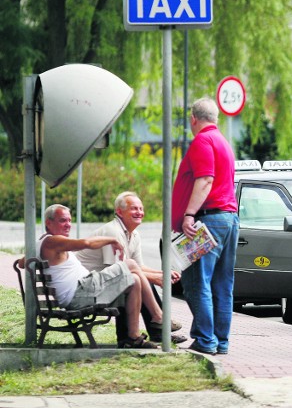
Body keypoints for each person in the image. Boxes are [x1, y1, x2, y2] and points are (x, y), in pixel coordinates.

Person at [37, 204, 159, 348]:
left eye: (70, 220)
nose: (68, 224)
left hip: (83, 291)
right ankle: (158, 316)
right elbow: (86, 243)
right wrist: (112, 240)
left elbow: (21, 263)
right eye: (63, 220)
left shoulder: (43, 242)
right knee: (130, 264)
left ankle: (133, 337)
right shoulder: (52, 241)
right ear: (48, 223)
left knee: (134, 280)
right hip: (79, 293)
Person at [171, 97, 240, 355]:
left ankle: (205, 340)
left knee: (196, 282)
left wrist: (189, 214)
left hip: (208, 219)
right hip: (228, 218)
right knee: (222, 284)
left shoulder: (202, 140)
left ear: (193, 119)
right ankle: (221, 342)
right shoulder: (223, 142)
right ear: (216, 119)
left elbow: (205, 179)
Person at [76, 191, 186, 344]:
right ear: (119, 212)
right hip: (89, 288)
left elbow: (138, 266)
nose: (139, 212)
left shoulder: (134, 234)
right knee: (137, 281)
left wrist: (163, 273)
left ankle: (159, 331)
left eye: (141, 209)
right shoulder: (112, 231)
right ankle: (158, 323)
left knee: (142, 280)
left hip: (105, 281)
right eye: (134, 208)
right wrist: (155, 278)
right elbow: (118, 271)